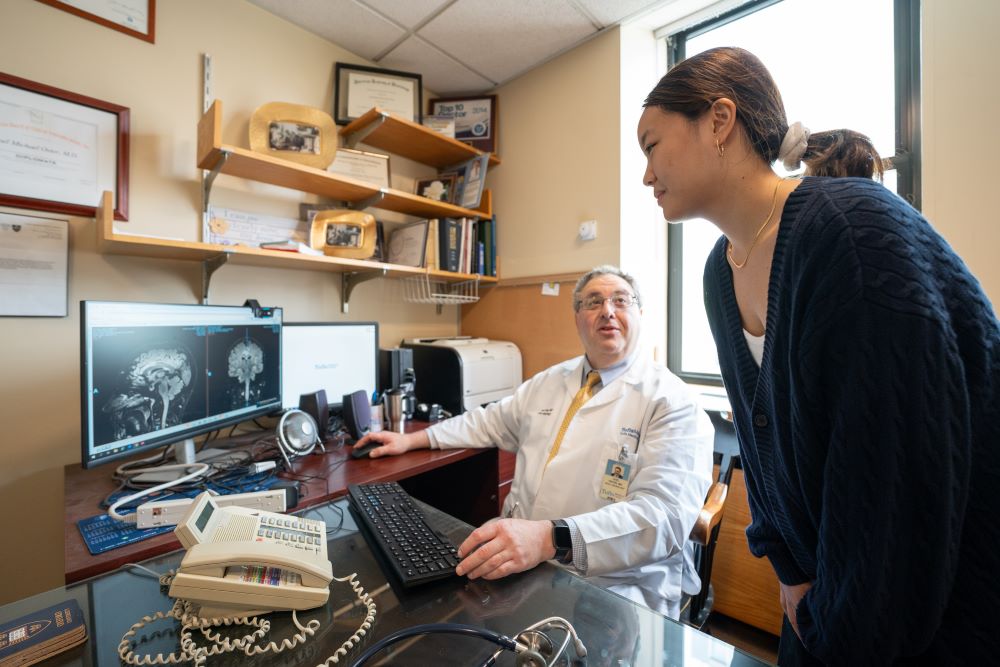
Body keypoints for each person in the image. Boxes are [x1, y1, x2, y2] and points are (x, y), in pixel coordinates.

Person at [638, 46, 1000, 664]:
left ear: (719, 121)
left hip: (935, 607)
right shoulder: (720, 274)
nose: (646, 175)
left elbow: (897, 478)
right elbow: (761, 442)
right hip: (825, 598)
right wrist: (789, 568)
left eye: (651, 144)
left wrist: (837, 623)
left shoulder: (854, 233)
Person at [354, 265, 715, 618]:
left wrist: (549, 539)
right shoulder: (549, 381)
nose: (607, 310)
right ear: (577, 317)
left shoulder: (672, 402)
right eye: (593, 302)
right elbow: (488, 421)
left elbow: (663, 518)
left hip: (613, 589)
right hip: (522, 565)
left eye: (621, 300)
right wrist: (413, 439)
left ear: (639, 312)